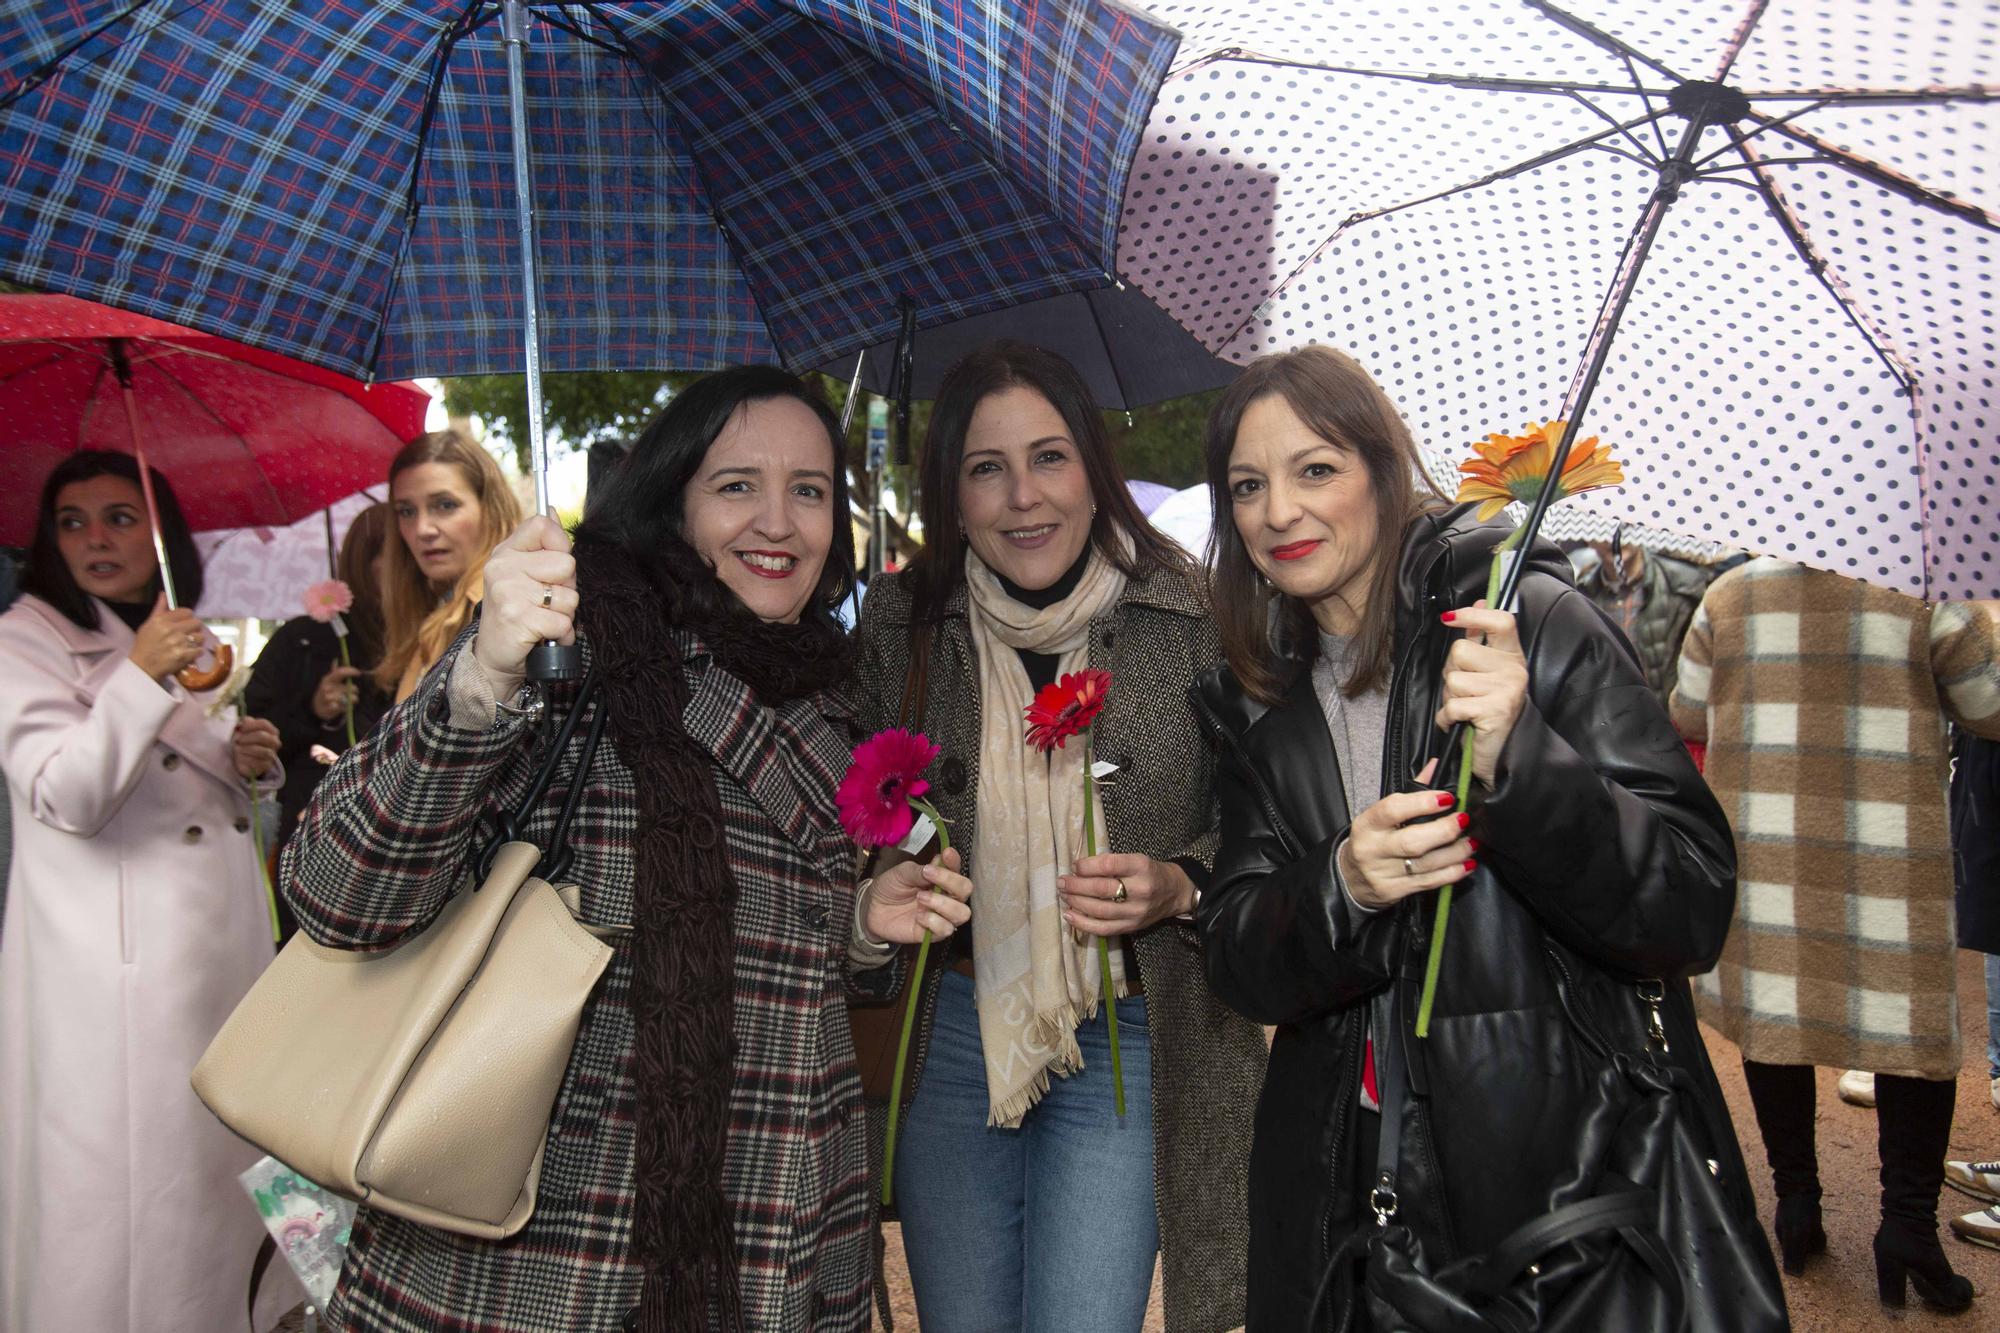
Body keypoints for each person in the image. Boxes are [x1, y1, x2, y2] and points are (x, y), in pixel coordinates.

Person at [284, 367, 969, 1332]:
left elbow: (783, 976)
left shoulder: (828, 702)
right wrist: (482, 674)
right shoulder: (566, 651)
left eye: (809, 489)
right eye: (737, 485)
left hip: (775, 1240)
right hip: (543, 1256)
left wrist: (859, 925)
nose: (778, 520)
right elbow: (339, 894)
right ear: (673, 500)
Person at [1192, 346, 1765, 1330]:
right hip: (1350, 1210)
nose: (1277, 511)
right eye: (1247, 485)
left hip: (1563, 1202)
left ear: (1382, 472)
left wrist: (1519, 763)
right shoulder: (1253, 703)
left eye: (1313, 469)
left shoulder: (1525, 626)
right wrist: (1343, 885)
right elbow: (1239, 958)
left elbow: (1688, 904)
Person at [850, 341, 1266, 1332]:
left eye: (1049, 457)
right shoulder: (903, 625)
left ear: (1093, 467)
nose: (1021, 497)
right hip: (948, 1029)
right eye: (984, 468)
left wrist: (1180, 884)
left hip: (1124, 1028)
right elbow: (849, 806)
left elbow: (1258, 824)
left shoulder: (1191, 615)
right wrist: (881, 882)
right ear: (951, 492)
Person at [0, 450, 295, 1331]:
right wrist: (138, 674)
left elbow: (197, 797)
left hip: (212, 973)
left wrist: (254, 764)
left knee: (208, 1193)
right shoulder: (26, 638)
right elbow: (66, 795)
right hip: (118, 993)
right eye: (73, 520)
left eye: (122, 517)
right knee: (131, 1216)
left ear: (161, 530)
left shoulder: (176, 633)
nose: (97, 538)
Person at [1672, 559, 2000, 1313]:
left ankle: (1796, 1207)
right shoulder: (1922, 592)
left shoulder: (1728, 592)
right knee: (1911, 1031)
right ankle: (1909, 1228)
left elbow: (1688, 711)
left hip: (1765, 845)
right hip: (1886, 851)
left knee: (1773, 1016)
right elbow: (1989, 704)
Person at [242, 502, 394, 938]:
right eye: (391, 557)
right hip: (315, 836)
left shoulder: (434, 633)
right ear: (363, 563)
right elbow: (256, 729)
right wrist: (313, 710)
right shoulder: (302, 639)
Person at [376, 430, 522, 701]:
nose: (423, 529)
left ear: (489, 509)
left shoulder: (514, 611)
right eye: (406, 511)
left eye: (445, 505)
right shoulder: (436, 612)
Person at [1574, 530, 1712, 713]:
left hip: (1669, 719)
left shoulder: (1684, 585)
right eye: (1604, 529)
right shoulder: (1579, 596)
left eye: (1624, 526)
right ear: (1588, 538)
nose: (1615, 539)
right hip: (1611, 720)